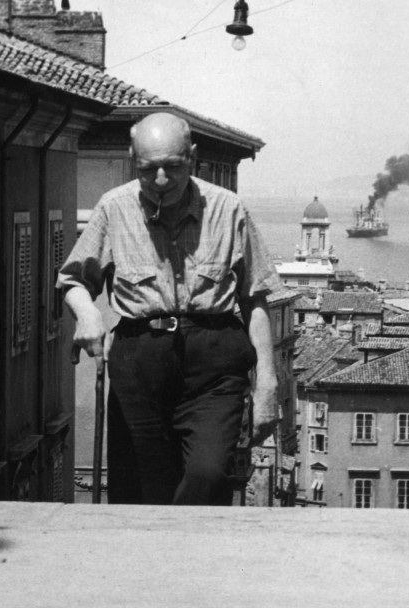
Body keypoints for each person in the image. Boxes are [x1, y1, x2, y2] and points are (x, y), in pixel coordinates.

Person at [58, 111, 279, 506]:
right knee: (145, 488)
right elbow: (74, 281)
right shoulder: (114, 208)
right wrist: (89, 314)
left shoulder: (229, 210)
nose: (161, 180)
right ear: (132, 160)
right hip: (139, 362)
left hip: (215, 360)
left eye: (173, 167)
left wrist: (267, 384)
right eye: (148, 169)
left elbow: (256, 297)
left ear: (192, 157)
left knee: (208, 475)